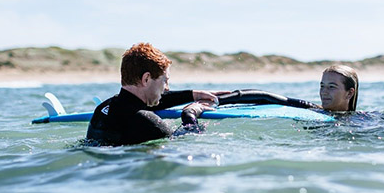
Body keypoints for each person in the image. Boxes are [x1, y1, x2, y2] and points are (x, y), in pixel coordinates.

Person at [86, 42, 220, 146]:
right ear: (146, 79)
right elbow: (187, 139)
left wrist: (193, 95)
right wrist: (190, 113)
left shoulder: (103, 109)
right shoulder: (146, 121)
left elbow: (152, 102)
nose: (167, 88)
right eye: (164, 81)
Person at [216, 65, 359, 113]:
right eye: (322, 86)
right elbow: (265, 96)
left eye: (332, 87)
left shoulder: (364, 120)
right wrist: (217, 100)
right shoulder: (311, 109)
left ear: (349, 93)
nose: (324, 92)